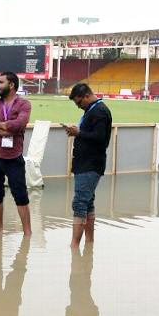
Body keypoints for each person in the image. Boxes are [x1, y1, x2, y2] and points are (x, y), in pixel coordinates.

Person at [0, 71, 32, 235]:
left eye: (1, 82)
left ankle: (28, 233)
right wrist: (4, 130)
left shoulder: (24, 104)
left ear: (11, 85)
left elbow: (20, 124)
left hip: (14, 158)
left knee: (21, 195)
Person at [62, 83, 112, 247]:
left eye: (79, 103)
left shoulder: (100, 111)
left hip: (90, 164)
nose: (78, 107)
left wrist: (78, 133)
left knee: (79, 203)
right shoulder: (93, 110)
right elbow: (91, 135)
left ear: (87, 96)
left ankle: (74, 245)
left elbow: (100, 139)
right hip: (85, 163)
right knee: (88, 202)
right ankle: (89, 243)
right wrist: (76, 131)